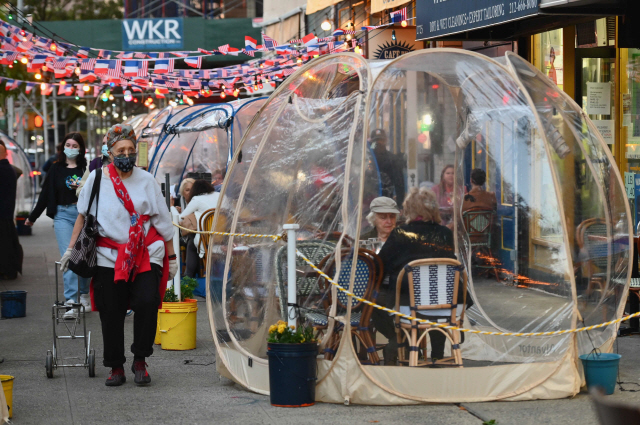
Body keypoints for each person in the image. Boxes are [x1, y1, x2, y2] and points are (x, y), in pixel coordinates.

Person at [62, 123, 177, 387]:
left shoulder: (147, 180)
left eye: (130, 149)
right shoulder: (97, 178)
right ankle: (116, 366)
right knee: (111, 311)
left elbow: (163, 221)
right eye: (120, 150)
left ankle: (140, 360)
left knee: (148, 303)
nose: (126, 154)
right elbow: (82, 215)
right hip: (107, 255)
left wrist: (171, 259)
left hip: (146, 254)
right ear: (110, 153)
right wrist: (70, 249)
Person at [374, 187, 470, 364]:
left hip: (410, 309)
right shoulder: (445, 234)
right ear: (434, 209)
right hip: (447, 307)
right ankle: (437, 354)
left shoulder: (401, 234)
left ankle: (398, 341)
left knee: (372, 301)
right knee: (434, 296)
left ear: (409, 209)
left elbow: (379, 266)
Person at [26, 133, 90, 318]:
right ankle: (71, 300)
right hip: (62, 215)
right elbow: (45, 194)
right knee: (68, 255)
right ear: (63, 147)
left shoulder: (87, 169)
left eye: (74, 145)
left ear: (80, 148)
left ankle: (84, 295)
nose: (70, 148)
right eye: (67, 144)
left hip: (83, 215)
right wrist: (32, 217)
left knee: (84, 255)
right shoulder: (56, 169)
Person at [179, 179, 219, 278]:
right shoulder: (220, 196)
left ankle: (188, 277)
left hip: (207, 239)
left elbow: (181, 218)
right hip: (223, 238)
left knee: (191, 243)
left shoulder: (197, 199)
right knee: (194, 240)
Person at [0, 140, 23, 280]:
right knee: (8, 243)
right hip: (7, 213)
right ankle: (9, 269)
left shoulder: (3, 169)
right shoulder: (10, 169)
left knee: (4, 245)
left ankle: (7, 270)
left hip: (2, 214)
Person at [370, 129, 406, 206]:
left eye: (381, 140)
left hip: (387, 202)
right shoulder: (367, 160)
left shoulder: (392, 160)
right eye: (376, 141)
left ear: (385, 141)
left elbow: (399, 184)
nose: (379, 143)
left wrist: (400, 204)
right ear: (371, 142)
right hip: (369, 202)